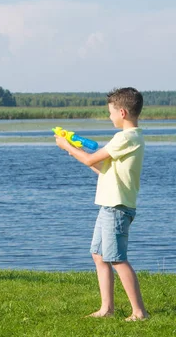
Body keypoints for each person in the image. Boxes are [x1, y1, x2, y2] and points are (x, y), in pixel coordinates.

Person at [55, 87, 149, 321]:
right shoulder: (131, 138)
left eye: (111, 112)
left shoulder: (125, 137)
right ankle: (107, 309)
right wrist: (77, 152)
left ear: (123, 112)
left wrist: (67, 146)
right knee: (99, 255)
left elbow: (89, 158)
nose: (110, 117)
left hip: (116, 207)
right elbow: (101, 169)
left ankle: (139, 312)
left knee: (117, 258)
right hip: (109, 205)